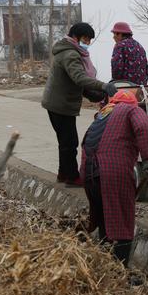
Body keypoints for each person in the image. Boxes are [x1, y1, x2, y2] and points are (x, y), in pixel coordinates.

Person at [80, 90, 148, 265]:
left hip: (88, 173)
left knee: (103, 218)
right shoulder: (131, 110)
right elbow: (143, 127)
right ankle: (121, 271)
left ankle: (105, 266)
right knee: (123, 218)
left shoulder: (102, 113)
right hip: (112, 172)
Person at [42, 22, 118, 186]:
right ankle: (72, 177)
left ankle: (63, 173)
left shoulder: (70, 51)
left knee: (65, 141)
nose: (88, 43)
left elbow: (76, 83)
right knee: (70, 142)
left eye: (90, 40)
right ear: (75, 37)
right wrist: (103, 86)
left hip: (58, 103)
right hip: (60, 105)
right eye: (85, 39)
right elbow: (79, 78)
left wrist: (95, 95)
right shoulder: (71, 54)